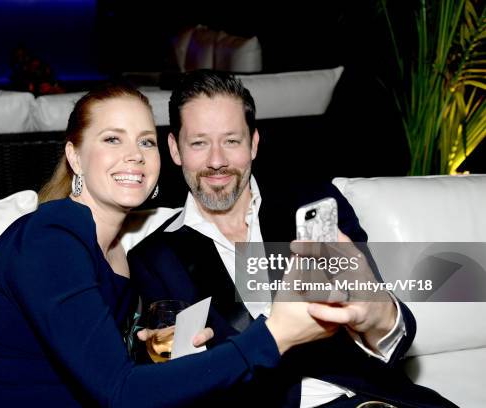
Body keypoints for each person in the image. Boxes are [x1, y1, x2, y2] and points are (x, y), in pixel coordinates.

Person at [0, 83, 345, 407]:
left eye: (145, 141)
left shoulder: (122, 257)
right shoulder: (50, 237)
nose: (134, 155)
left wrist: (143, 348)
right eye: (113, 139)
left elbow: (97, 364)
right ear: (75, 157)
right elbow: (122, 393)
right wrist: (274, 336)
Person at [128, 70, 457, 408]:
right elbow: (167, 379)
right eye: (199, 142)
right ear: (175, 149)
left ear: (253, 143)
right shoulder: (154, 259)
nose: (217, 161)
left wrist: (378, 313)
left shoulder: (314, 204)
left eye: (231, 140)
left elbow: (395, 339)